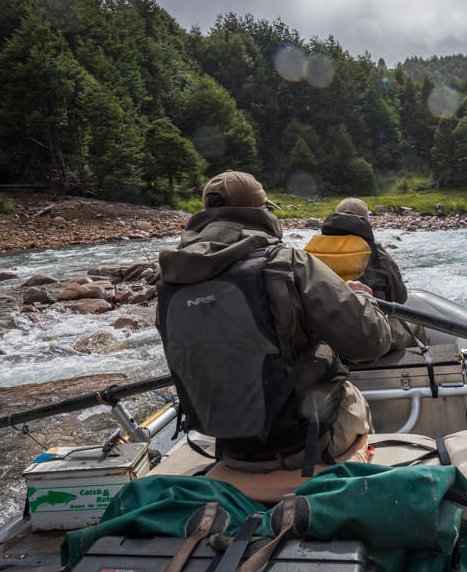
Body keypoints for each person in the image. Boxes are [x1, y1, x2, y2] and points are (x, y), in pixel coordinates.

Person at [155, 171, 392, 476]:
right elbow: (370, 343)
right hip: (306, 444)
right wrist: (363, 301)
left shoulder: (170, 280)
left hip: (230, 449)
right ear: (261, 211)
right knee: (351, 394)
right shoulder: (286, 263)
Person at [315, 197, 408, 303]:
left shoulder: (315, 247)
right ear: (365, 220)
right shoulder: (377, 252)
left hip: (322, 315)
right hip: (367, 316)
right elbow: (399, 298)